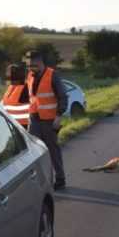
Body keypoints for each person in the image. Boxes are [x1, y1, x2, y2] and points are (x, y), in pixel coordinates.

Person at [25, 50, 68, 189]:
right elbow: (32, 97)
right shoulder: (30, 76)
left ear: (40, 62)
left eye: (32, 65)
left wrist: (58, 116)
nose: (30, 67)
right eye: (28, 65)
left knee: (52, 150)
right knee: (33, 150)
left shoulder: (52, 75)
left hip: (50, 120)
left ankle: (60, 178)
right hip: (34, 119)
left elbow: (63, 96)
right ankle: (39, 181)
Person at [0, 64, 30, 129]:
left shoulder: (26, 87)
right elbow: (2, 105)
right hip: (11, 124)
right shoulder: (11, 87)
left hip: (25, 127)